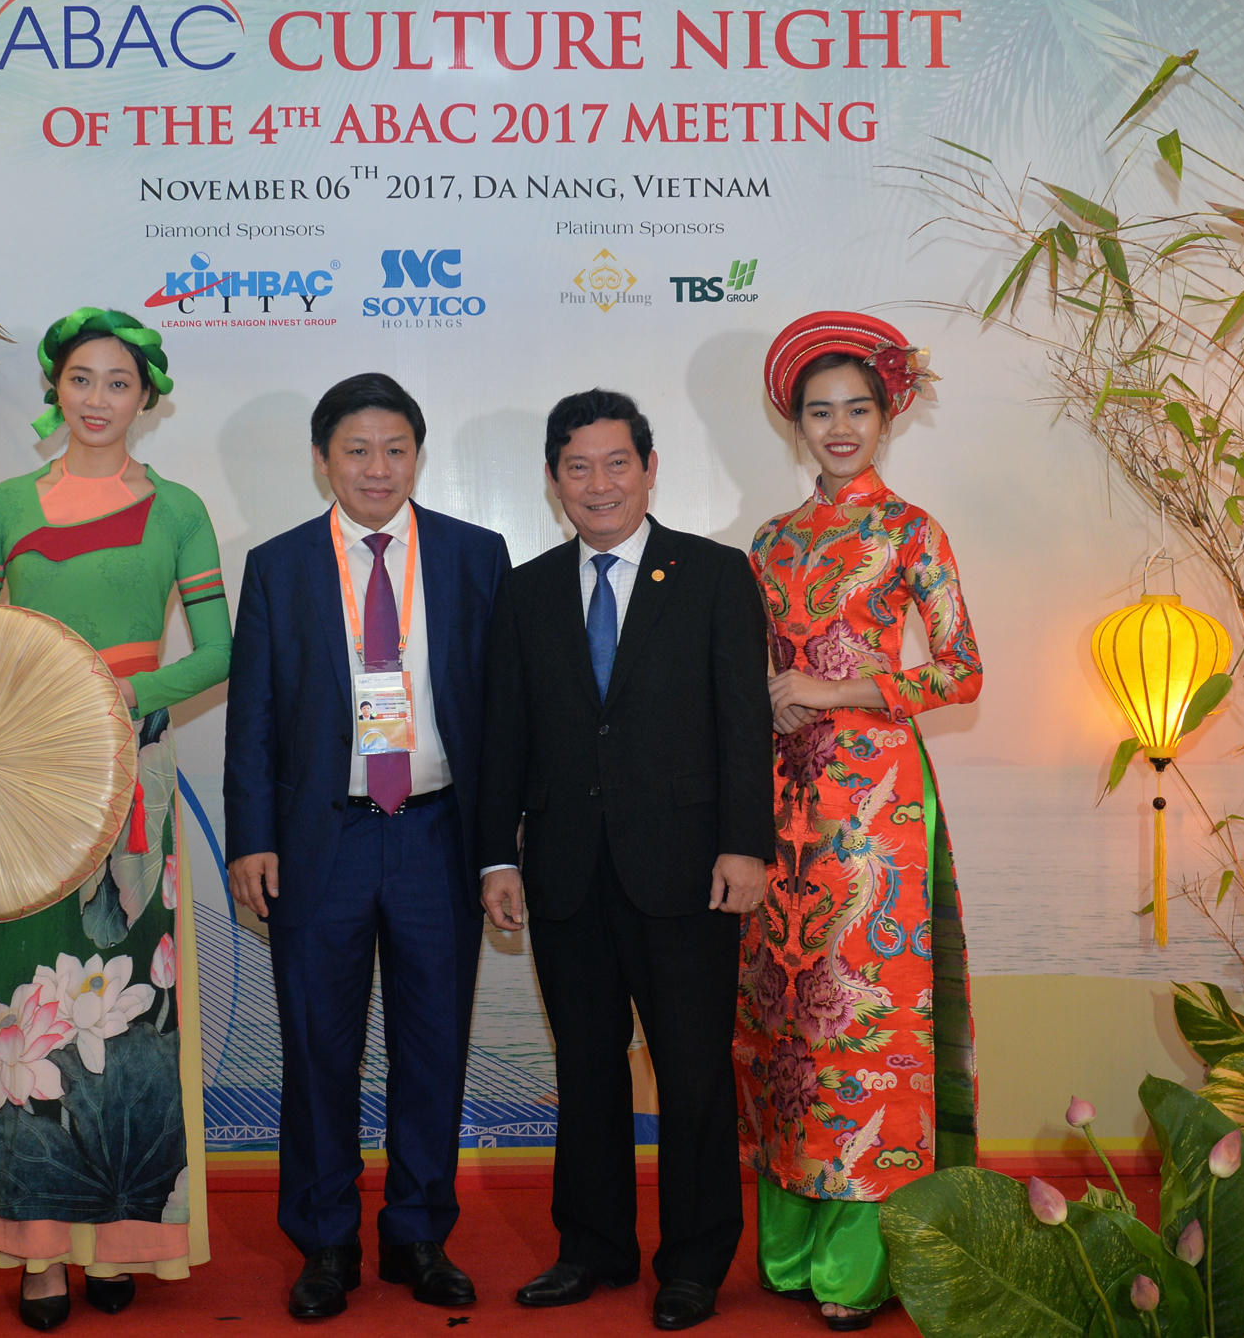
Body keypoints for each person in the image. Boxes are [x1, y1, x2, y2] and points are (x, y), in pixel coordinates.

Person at [0, 308, 231, 1329]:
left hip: (132, 769)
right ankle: (35, 1250)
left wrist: (126, 693)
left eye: (119, 381)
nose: (98, 398)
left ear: (147, 397)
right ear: (53, 388)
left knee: (130, 1000)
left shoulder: (180, 509)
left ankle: (123, 1239)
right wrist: (36, 705)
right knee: (24, 1001)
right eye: (81, 378)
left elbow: (219, 648)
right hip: (27, 772)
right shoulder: (1, 506)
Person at [478, 389, 772, 1332]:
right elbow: (504, 736)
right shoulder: (526, 589)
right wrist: (495, 858)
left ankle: (693, 1261)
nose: (598, 484)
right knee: (587, 1068)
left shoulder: (715, 574)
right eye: (578, 466)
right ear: (554, 479)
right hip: (566, 871)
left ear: (649, 470)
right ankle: (592, 1247)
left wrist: (747, 844)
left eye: (616, 463)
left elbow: (745, 721)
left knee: (693, 1074)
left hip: (689, 871)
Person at [223, 373, 509, 1320]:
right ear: (322, 460)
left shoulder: (475, 555)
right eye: (356, 450)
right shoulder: (279, 565)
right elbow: (253, 716)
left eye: (395, 449)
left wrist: (499, 846)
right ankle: (327, 1241)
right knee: (318, 1048)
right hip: (322, 839)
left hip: (436, 831)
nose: (377, 467)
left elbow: (503, 714)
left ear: (418, 456)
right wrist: (252, 837)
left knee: (433, 1046)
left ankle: (420, 1234)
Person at [739, 312, 982, 1331]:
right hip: (780, 801)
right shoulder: (769, 540)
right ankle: (789, 1245)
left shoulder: (912, 531)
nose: (838, 428)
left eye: (856, 410)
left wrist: (835, 691)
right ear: (794, 423)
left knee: (865, 1020)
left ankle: (860, 1259)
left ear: (887, 417)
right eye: (818, 412)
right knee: (784, 1019)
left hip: (876, 809)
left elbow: (960, 670)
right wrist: (767, 699)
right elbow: (752, 671)